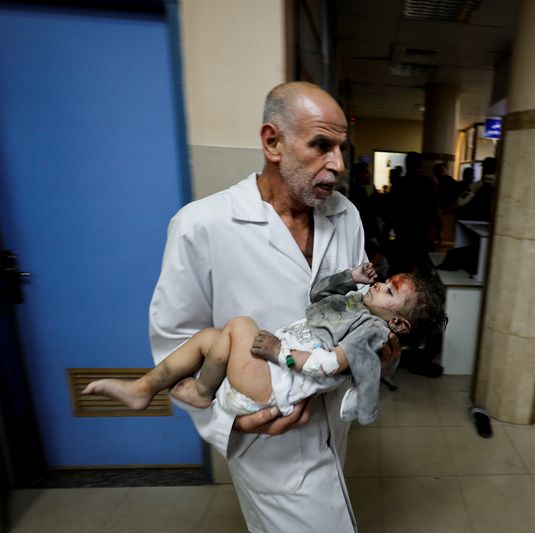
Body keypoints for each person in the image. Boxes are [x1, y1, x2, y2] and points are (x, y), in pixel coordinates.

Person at [148, 81, 400, 532]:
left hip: (329, 421)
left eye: (341, 148)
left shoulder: (347, 216)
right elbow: (175, 343)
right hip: (266, 436)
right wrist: (234, 423)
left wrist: (381, 352)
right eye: (322, 145)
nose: (338, 164)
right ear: (273, 142)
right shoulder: (201, 225)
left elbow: (355, 310)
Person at [85, 263, 445, 426]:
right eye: (385, 281)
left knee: (239, 326)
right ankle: (144, 387)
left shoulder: (371, 332)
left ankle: (201, 392)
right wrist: (350, 277)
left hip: (277, 381)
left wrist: (280, 354)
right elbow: (317, 296)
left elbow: (329, 365)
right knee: (209, 339)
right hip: (267, 371)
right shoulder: (358, 304)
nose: (380, 283)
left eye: (390, 290)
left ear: (397, 323)